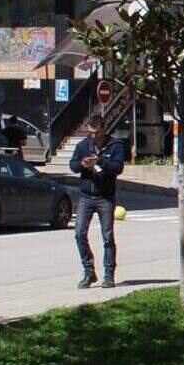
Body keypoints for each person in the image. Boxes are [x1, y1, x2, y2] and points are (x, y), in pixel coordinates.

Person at [69, 114, 125, 289]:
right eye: (91, 132)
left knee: (107, 237)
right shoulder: (83, 145)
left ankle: (109, 275)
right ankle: (89, 271)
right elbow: (72, 165)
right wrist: (83, 164)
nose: (93, 136)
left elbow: (118, 168)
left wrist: (100, 161)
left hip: (105, 197)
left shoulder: (115, 145)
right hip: (86, 196)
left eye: (97, 132)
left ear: (104, 129)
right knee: (79, 233)